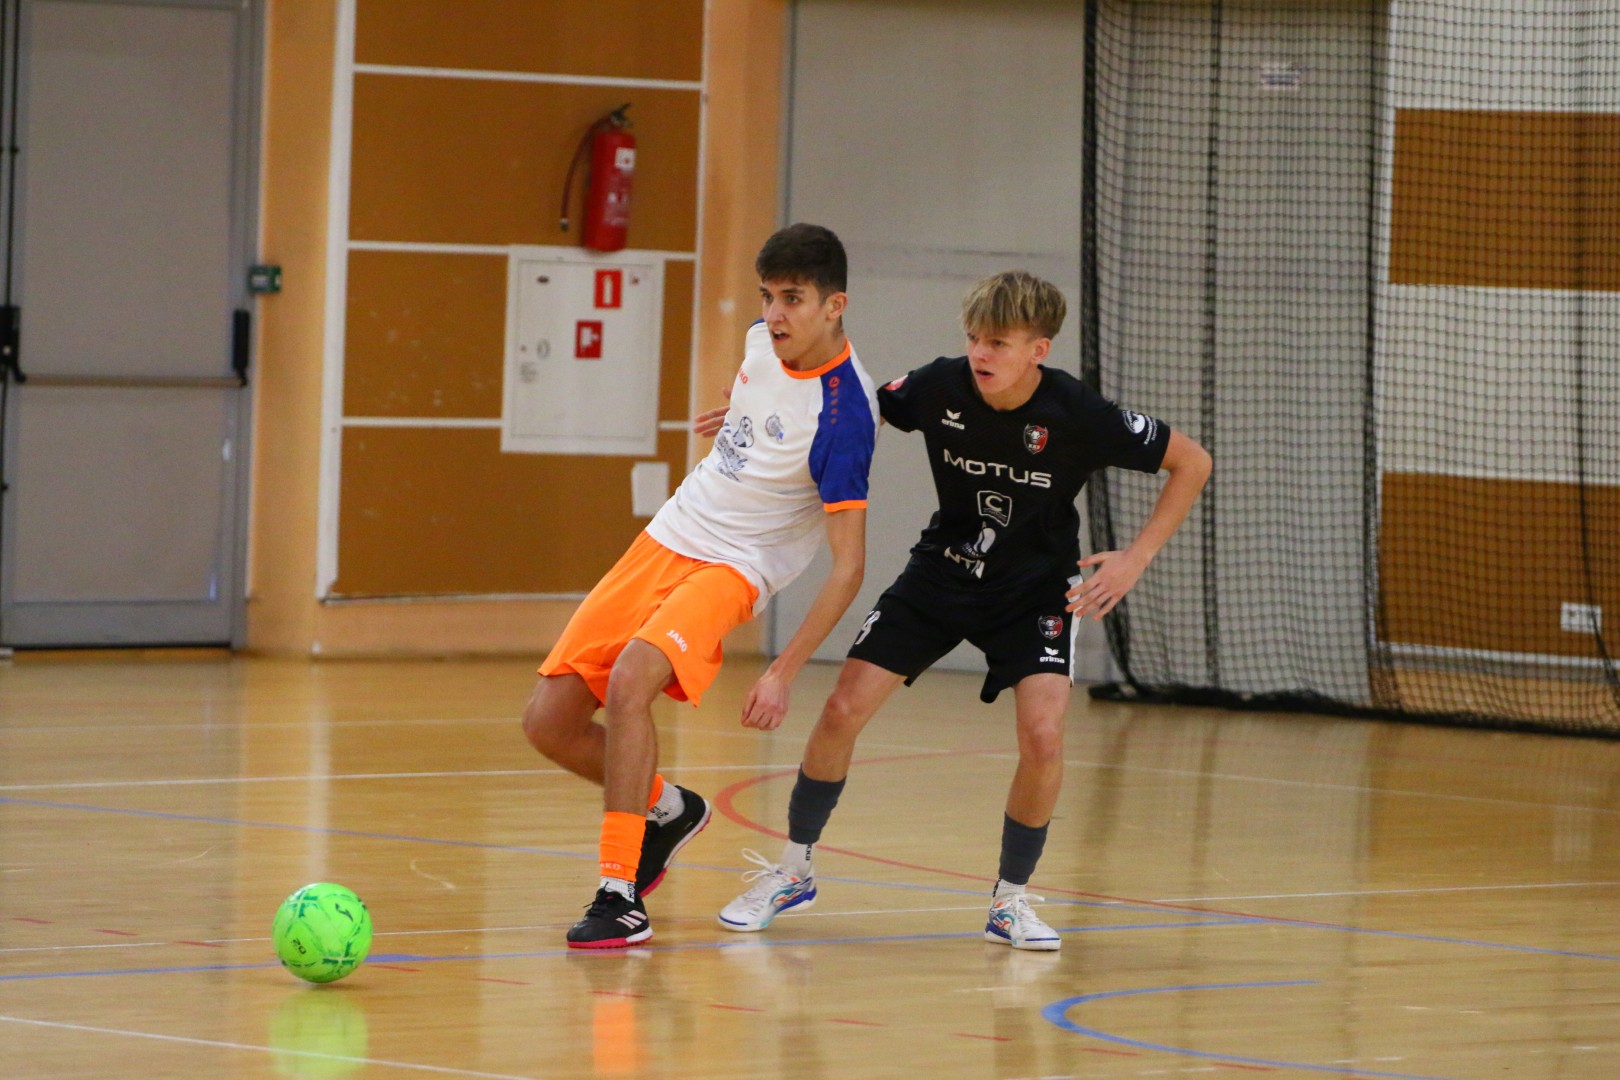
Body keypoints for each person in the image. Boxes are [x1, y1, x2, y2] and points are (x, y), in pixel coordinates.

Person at [712, 270, 1211, 950]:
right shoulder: (939, 384)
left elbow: (1193, 462)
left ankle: (1010, 901)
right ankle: (793, 870)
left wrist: (1136, 557)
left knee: (1044, 737)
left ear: (1038, 349)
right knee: (841, 709)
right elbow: (855, 409)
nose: (980, 353)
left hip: (1034, 592)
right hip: (940, 576)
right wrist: (758, 416)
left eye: (998, 342)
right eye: (975, 337)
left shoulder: (1080, 412)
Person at [521, 223, 879, 949]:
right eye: (767, 296)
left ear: (835, 305)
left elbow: (849, 567)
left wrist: (781, 672)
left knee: (631, 682)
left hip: (735, 565)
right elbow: (762, 409)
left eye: (793, 299)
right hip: (669, 534)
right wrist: (738, 419)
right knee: (547, 724)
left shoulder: (845, 417)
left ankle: (618, 896)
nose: (774, 315)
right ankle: (669, 810)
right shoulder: (760, 343)